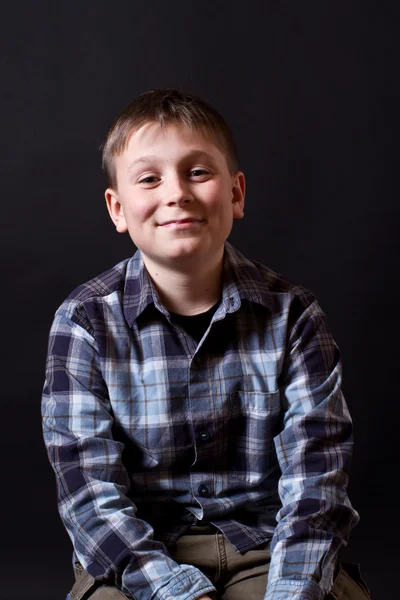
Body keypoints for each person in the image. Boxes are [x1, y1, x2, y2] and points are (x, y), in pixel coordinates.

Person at [41, 89, 370, 600]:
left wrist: (290, 592)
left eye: (198, 172)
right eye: (149, 178)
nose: (177, 193)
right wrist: (176, 591)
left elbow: (317, 486)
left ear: (236, 194)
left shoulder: (294, 316)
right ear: (118, 207)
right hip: (138, 557)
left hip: (268, 547)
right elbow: (89, 495)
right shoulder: (84, 323)